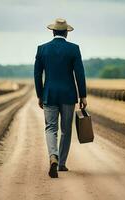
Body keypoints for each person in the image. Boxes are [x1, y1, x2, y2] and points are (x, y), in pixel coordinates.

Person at [34, 18, 87, 178]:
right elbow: (79, 73)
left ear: (53, 32)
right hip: (68, 95)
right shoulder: (74, 49)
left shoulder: (42, 49)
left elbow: (37, 75)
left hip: (49, 94)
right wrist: (83, 95)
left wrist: (40, 95)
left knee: (50, 128)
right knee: (66, 130)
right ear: (66, 33)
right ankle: (62, 163)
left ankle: (53, 157)